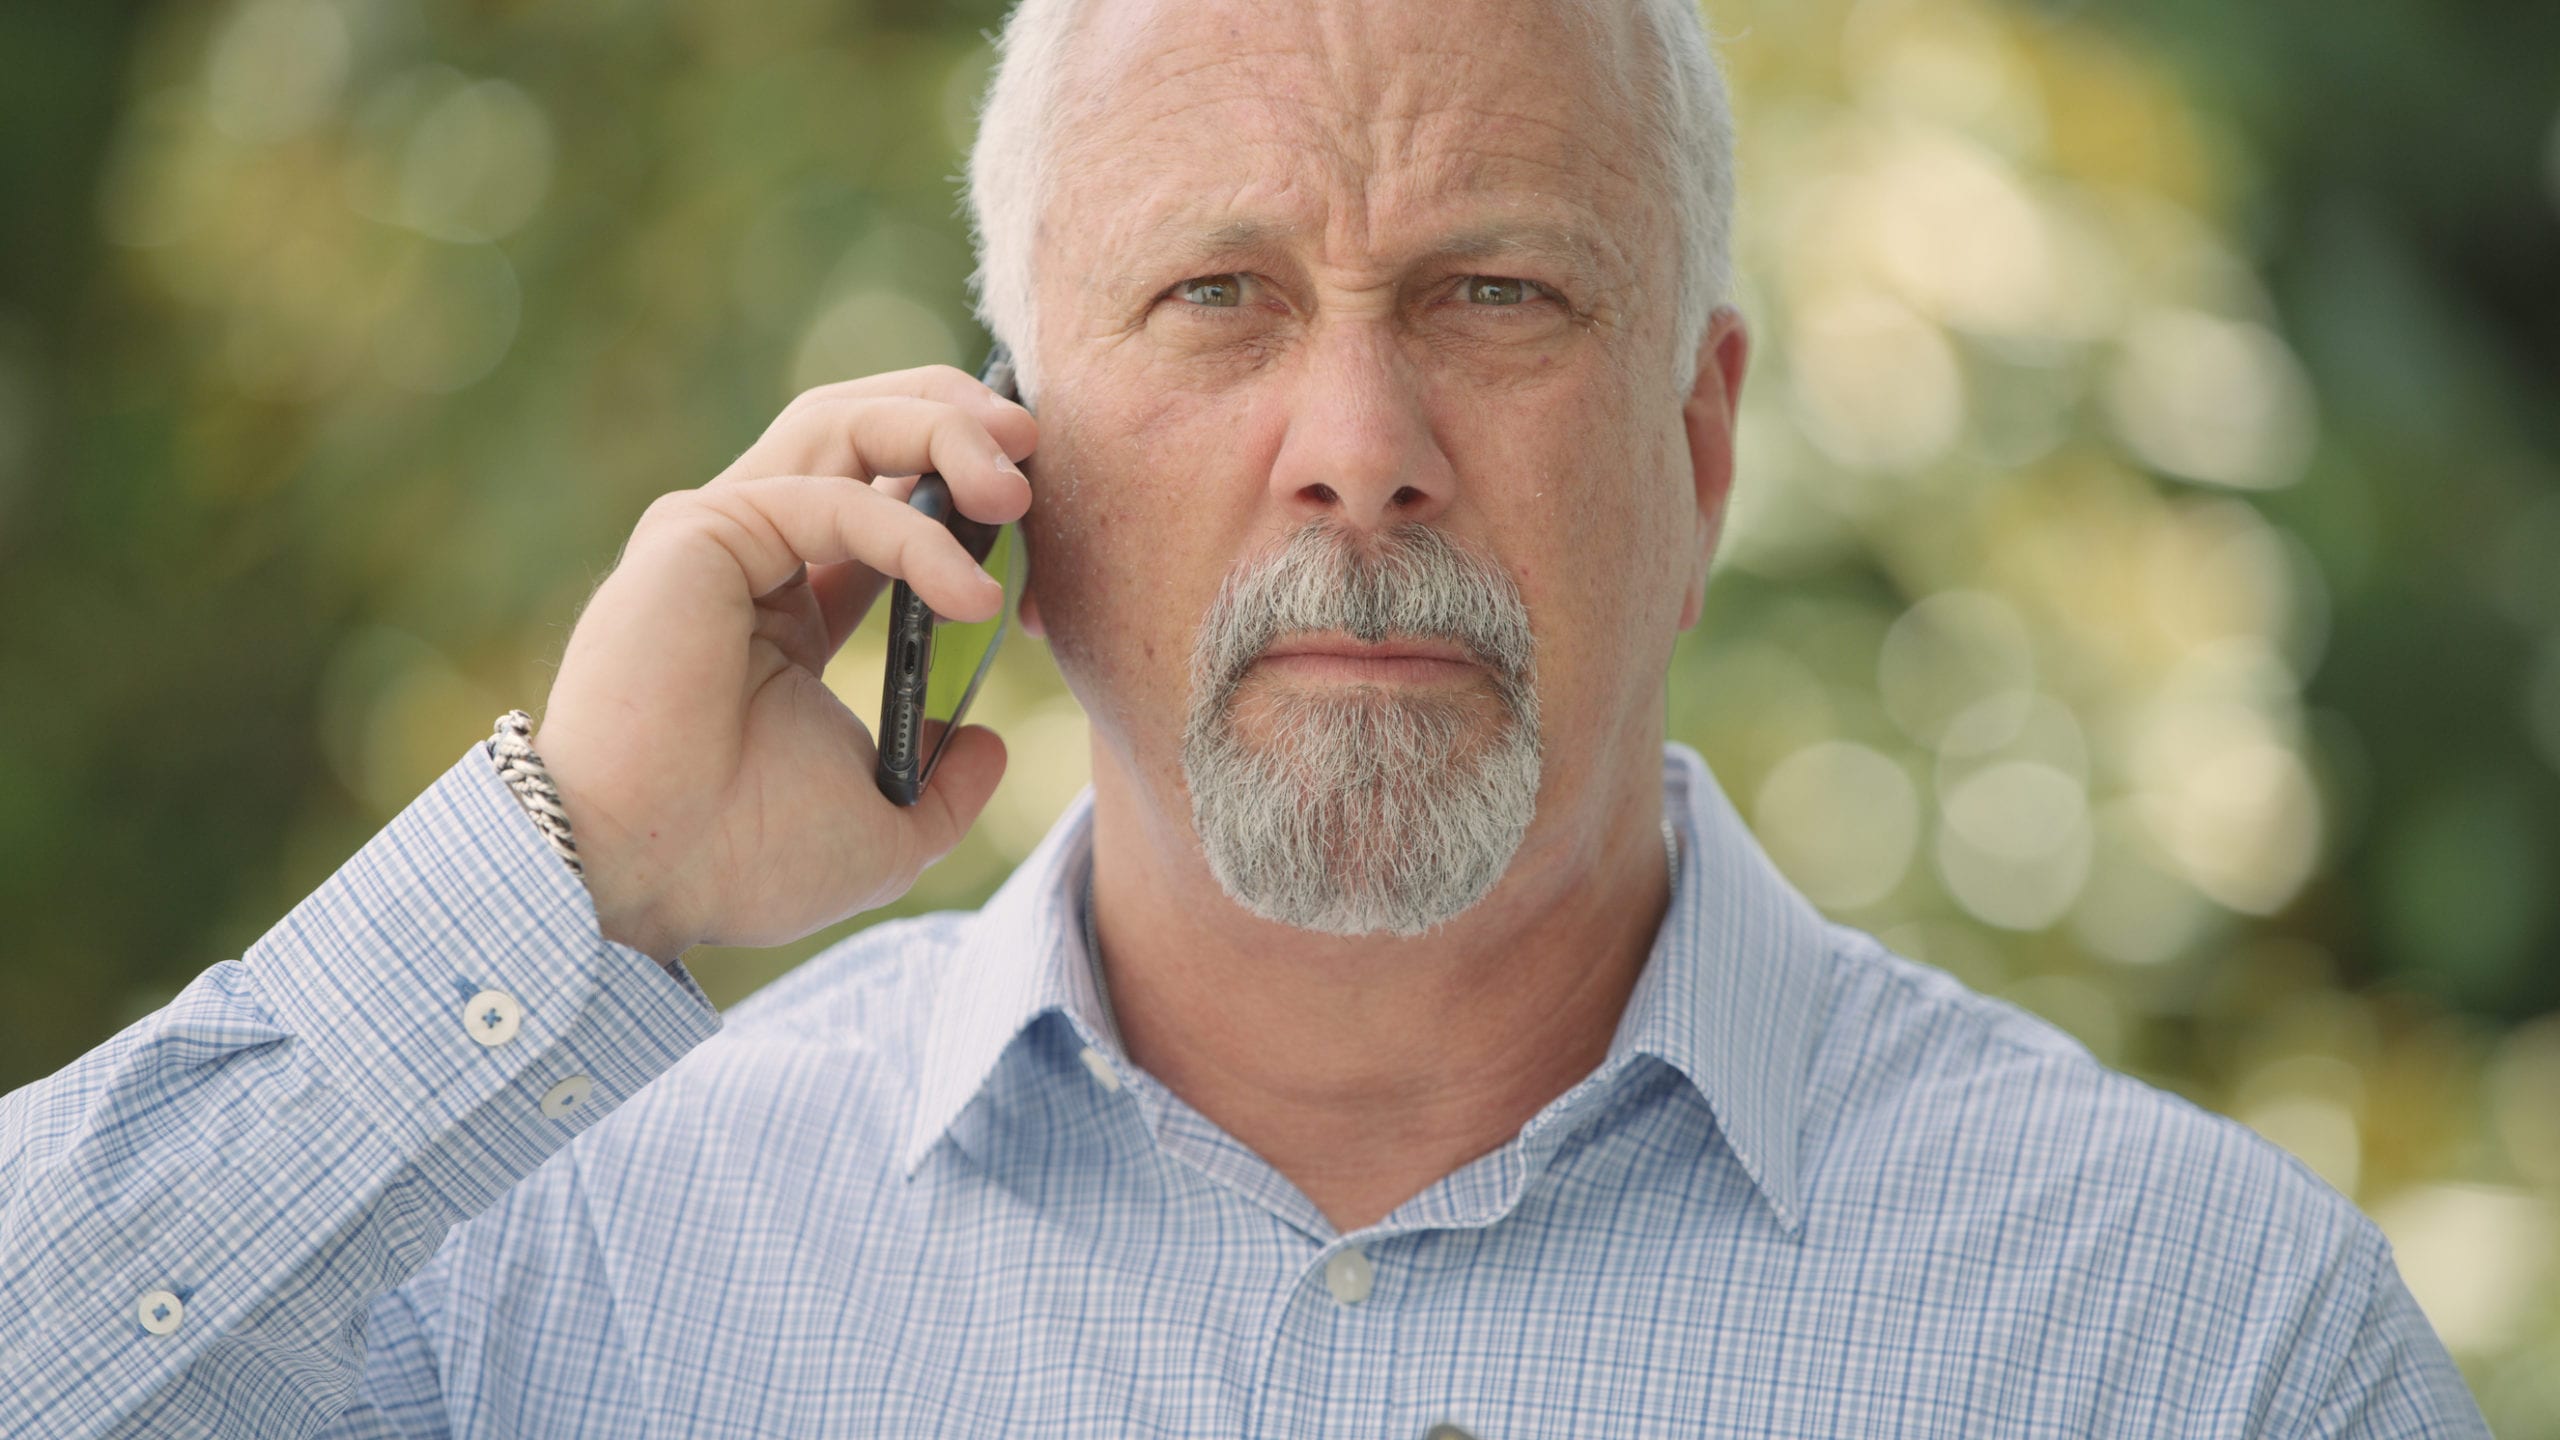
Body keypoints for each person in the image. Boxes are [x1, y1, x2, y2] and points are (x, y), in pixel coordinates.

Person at [0, 0, 2491, 1433]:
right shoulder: (552, 1272)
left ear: (1700, 445)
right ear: (993, 461)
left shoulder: (2199, 1347)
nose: (1356, 441)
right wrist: (574, 883)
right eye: (1213, 300)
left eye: (1497, 293)